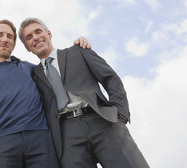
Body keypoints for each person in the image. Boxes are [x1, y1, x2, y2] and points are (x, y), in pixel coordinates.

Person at [19, 17, 149, 168]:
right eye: (29, 37)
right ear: (27, 47)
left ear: (49, 33)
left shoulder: (79, 51)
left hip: (101, 120)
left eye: (38, 32)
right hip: (67, 135)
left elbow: (110, 79)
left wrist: (120, 114)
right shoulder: (33, 75)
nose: (35, 37)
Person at [0, 19, 89, 168]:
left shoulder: (31, 69)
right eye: (0, 35)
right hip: (1, 145)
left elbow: (56, 67)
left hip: (41, 141)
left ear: (14, 43)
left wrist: (76, 48)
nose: (5, 39)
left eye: (9, 36)